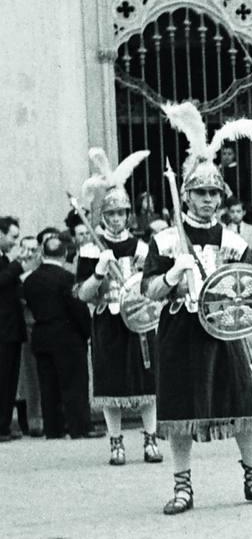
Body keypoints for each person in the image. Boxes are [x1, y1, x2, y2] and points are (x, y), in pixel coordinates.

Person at [144, 102, 252, 514]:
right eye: (200, 192)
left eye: (214, 193)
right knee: (180, 410)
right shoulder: (166, 241)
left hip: (225, 331)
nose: (208, 199)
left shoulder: (236, 243)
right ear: (185, 194)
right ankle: (183, 487)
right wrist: (172, 276)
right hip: (180, 333)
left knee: (242, 402)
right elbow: (149, 290)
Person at [75, 148, 162, 464]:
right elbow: (83, 295)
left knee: (146, 382)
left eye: (121, 214)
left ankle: (151, 440)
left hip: (139, 320)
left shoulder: (142, 247)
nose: (115, 219)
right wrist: (98, 272)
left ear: (129, 216)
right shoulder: (89, 249)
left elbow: (152, 286)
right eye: (110, 214)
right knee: (110, 384)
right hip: (107, 321)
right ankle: (116, 442)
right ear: (103, 217)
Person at [24, 234, 93, 440]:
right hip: (67, 336)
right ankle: (79, 426)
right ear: (64, 254)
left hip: (41, 334)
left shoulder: (31, 280)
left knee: (48, 384)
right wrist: (86, 332)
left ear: (42, 254)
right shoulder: (67, 278)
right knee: (74, 383)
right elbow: (77, 307)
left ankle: (53, 428)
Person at [0, 216, 25, 442]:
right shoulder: (8, 262)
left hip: (10, 330)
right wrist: (17, 266)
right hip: (3, 330)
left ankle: (4, 425)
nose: (15, 242)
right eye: (13, 237)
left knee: (9, 379)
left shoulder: (5, 260)